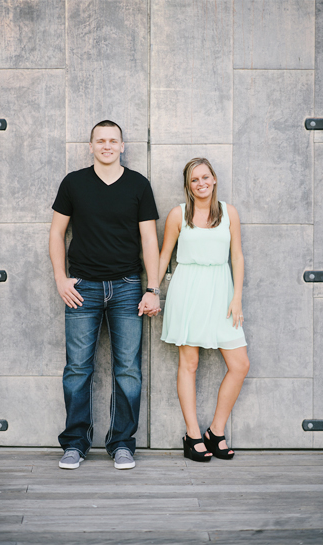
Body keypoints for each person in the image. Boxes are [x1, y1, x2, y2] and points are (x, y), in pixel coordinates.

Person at [49, 120, 160, 471]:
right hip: (82, 288)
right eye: (101, 140)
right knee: (77, 369)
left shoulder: (138, 185)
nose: (107, 145)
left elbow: (149, 241)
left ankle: (122, 443)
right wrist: (60, 279)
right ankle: (75, 444)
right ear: (92, 145)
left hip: (128, 287)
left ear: (123, 145)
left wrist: (153, 288)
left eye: (113, 140)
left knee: (128, 370)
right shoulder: (74, 183)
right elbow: (56, 234)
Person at [158, 157, 249, 462]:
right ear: (188, 185)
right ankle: (193, 435)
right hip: (188, 290)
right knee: (190, 363)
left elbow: (237, 257)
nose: (201, 184)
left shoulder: (229, 213)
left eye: (205, 177)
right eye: (194, 179)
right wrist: (152, 290)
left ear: (214, 180)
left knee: (240, 365)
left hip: (222, 291)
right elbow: (164, 256)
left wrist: (236, 297)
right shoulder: (178, 215)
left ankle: (216, 431)